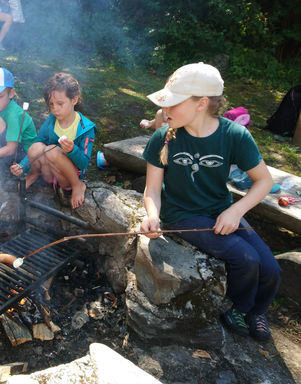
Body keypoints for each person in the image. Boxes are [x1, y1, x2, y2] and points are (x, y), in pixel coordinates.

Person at [139, 62, 281, 341]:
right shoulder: (163, 136)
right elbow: (152, 189)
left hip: (221, 211)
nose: (165, 111)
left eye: (173, 104)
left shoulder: (234, 135)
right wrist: (152, 215)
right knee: (247, 259)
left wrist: (235, 210)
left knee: (272, 268)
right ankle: (237, 308)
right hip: (182, 215)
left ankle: (256, 310)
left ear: (202, 103)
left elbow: (264, 181)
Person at [10, 73, 97, 209]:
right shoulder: (51, 121)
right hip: (50, 173)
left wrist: (72, 150)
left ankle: (77, 186)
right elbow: (38, 145)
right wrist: (22, 166)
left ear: (74, 100)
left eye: (60, 103)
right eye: (51, 104)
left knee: (53, 151)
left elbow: (84, 162)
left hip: (68, 177)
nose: (55, 108)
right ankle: (34, 174)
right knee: (36, 147)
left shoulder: (85, 128)